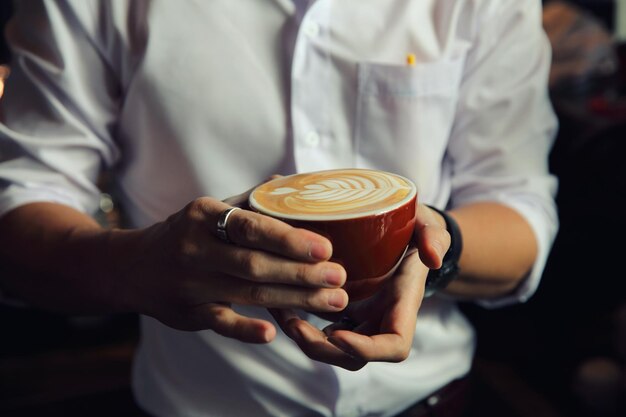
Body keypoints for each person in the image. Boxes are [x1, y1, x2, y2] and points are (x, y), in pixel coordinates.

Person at [0, 1, 558, 416]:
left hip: (431, 400)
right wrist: (131, 265)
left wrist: (439, 251)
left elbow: (519, 207)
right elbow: (20, 204)